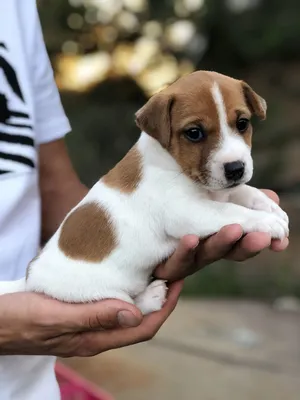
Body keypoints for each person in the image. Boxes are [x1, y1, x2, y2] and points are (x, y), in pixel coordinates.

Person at [0, 0, 288, 399]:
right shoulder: (155, 176)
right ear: (160, 129)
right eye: (195, 133)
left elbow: (56, 187)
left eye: (241, 125)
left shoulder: (16, 9)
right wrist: (254, 220)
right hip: (72, 286)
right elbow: (188, 216)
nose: (231, 153)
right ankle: (128, 296)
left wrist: (250, 200)